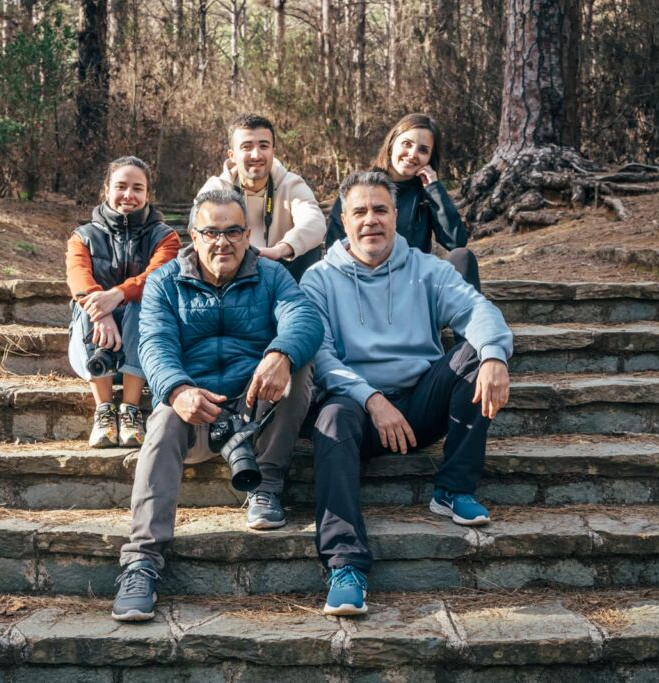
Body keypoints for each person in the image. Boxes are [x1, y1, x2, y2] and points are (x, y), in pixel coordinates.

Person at [301, 171, 513, 616]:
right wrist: (372, 400)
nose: (370, 221)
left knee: (478, 351)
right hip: (357, 411)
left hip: (420, 404)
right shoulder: (318, 279)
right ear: (344, 218)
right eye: (359, 211)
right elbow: (319, 357)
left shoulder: (427, 268)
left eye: (380, 210)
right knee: (331, 418)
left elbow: (477, 309)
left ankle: (453, 489)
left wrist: (495, 356)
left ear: (396, 215)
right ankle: (345, 565)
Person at [112, 189, 323, 622]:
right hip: (197, 413)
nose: (221, 242)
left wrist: (281, 354)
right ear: (193, 234)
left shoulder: (272, 275)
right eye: (211, 232)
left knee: (298, 367)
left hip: (254, 410)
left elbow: (304, 317)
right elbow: (153, 344)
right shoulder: (165, 280)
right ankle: (141, 563)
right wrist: (176, 389)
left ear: (247, 235)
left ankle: (266, 486)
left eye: (232, 232)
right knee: (165, 418)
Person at [66, 157, 181, 448]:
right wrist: (101, 311)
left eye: (137, 188)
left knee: (146, 303)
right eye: (120, 186)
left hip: (142, 348)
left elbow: (158, 276)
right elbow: (78, 278)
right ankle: (104, 410)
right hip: (93, 345)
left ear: (147, 195)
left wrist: (116, 295)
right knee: (84, 308)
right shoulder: (83, 236)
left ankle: (130, 410)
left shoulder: (165, 237)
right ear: (106, 189)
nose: (128, 195)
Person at [324, 113, 481, 291]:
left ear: (430, 158)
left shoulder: (426, 194)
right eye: (407, 144)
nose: (413, 154)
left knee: (463, 257)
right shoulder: (359, 188)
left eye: (423, 150)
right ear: (392, 144)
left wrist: (435, 191)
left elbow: (455, 242)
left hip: (413, 284)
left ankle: (468, 317)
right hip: (365, 282)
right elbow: (334, 246)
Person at [198, 113, 326, 282]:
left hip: (281, 271)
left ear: (273, 151)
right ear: (232, 155)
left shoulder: (291, 184)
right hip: (232, 272)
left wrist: (280, 249)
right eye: (246, 147)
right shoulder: (217, 188)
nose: (256, 155)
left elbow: (315, 222)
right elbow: (199, 234)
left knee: (310, 246)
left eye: (264, 146)